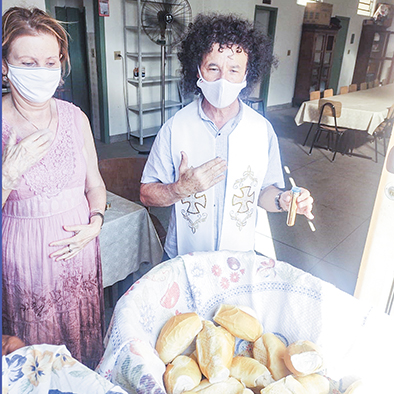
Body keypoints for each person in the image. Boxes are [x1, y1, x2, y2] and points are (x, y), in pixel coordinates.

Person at [140, 13, 314, 260]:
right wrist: (179, 189)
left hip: (238, 259)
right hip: (185, 256)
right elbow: (146, 193)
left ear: (247, 74)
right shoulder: (175, 127)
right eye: (213, 68)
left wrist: (282, 199)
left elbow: (264, 191)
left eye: (234, 69)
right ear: (197, 70)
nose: (223, 80)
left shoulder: (261, 130)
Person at [2, 7, 106, 369]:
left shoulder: (76, 117)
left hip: (81, 261)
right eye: (28, 63)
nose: (41, 73)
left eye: (50, 62)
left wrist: (96, 222)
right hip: (26, 268)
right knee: (36, 364)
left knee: (83, 354)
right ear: (5, 65)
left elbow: (95, 185)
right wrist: (7, 173)